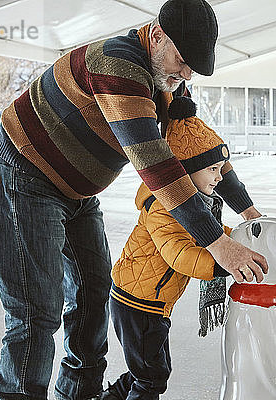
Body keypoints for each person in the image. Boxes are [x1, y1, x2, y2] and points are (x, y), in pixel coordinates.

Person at [0, 0, 268, 399]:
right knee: (36, 312)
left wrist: (249, 209)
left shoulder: (166, 80)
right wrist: (217, 242)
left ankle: (79, 393)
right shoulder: (118, 66)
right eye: (183, 61)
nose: (186, 75)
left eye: (193, 69)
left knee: (92, 292)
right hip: (26, 172)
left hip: (77, 190)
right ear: (156, 36)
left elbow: (199, 151)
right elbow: (157, 164)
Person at [101, 96, 234, 400]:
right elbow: (179, 254)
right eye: (212, 169)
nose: (218, 177)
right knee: (151, 378)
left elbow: (210, 233)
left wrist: (235, 239)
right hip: (137, 304)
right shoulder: (165, 206)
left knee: (149, 371)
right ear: (187, 171)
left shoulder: (193, 206)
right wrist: (224, 263)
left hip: (150, 304)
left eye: (220, 169)